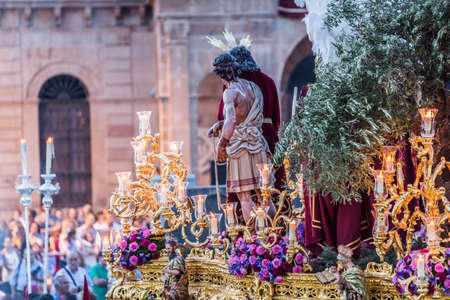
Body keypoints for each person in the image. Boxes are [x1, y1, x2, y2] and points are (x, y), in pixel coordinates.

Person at [212, 53, 271, 223]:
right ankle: (274, 234)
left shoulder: (230, 92)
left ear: (220, 74)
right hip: (257, 144)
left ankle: (254, 239)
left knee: (245, 197)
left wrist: (221, 145)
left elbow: (232, 120)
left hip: (240, 149)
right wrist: (221, 124)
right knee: (263, 195)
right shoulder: (250, 86)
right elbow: (242, 117)